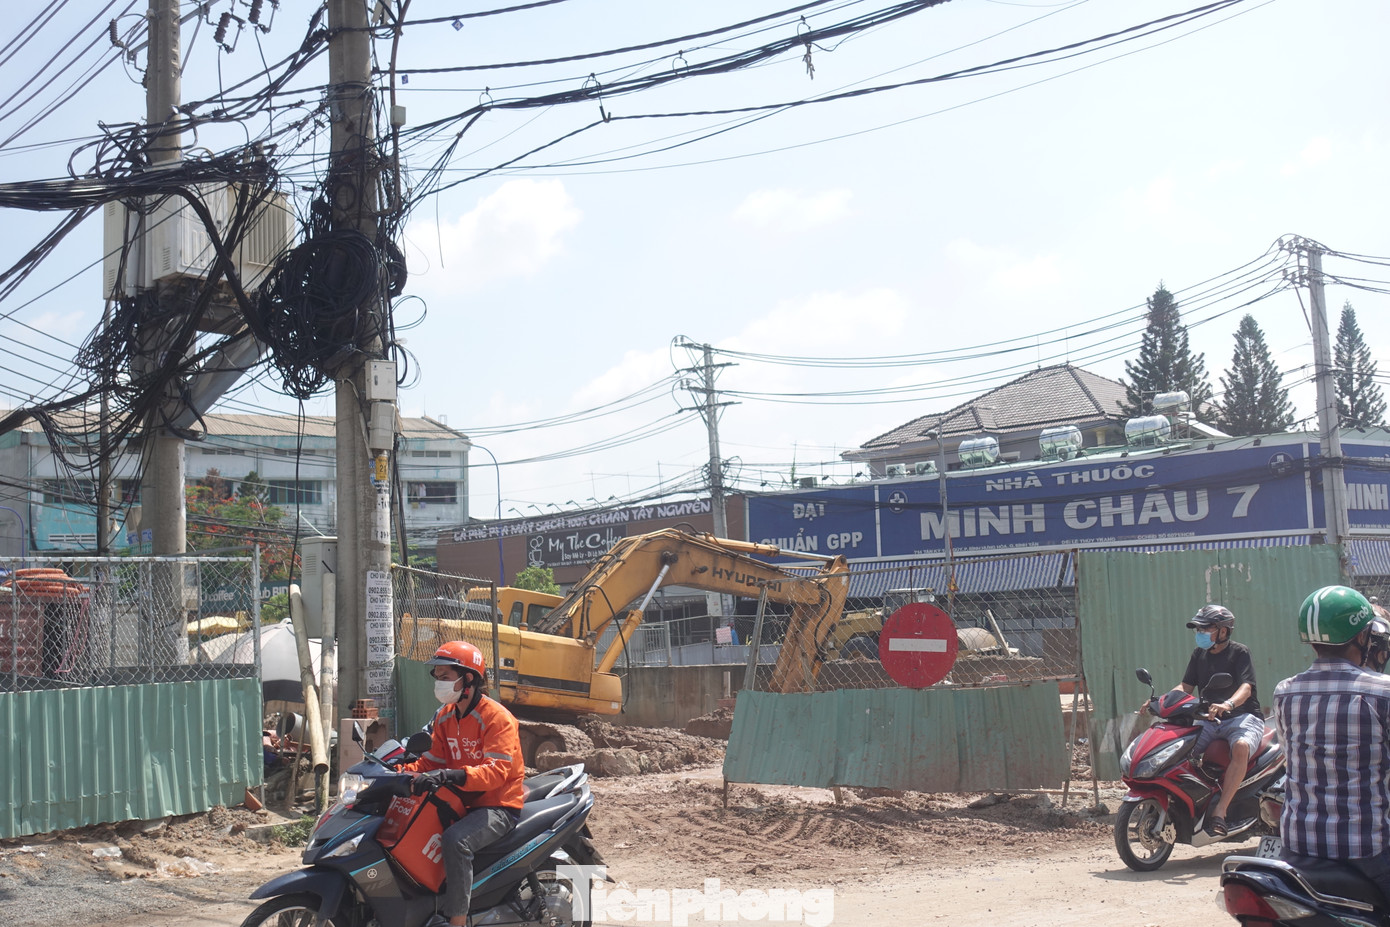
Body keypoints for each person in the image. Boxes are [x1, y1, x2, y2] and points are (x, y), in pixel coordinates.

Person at [1275, 585, 1390, 898]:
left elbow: (1290, 756)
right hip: (1366, 853)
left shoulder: (1285, 692)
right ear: (1362, 637)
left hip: (1297, 848)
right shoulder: (1382, 692)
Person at [401, 641, 525, 927]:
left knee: (454, 841)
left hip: (497, 805)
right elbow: (430, 763)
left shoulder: (497, 718)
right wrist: (398, 771)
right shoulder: (445, 717)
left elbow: (496, 772)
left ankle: (456, 922)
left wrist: (450, 775)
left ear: (467, 678)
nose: (439, 683)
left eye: (445, 676)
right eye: (437, 676)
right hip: (460, 801)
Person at [1174, 603, 1264, 836]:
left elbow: (1246, 687)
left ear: (1223, 631)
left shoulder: (1239, 652)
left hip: (1242, 717)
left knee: (1241, 746)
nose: (1200, 634)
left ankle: (1220, 812)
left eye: (1206, 629)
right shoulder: (1199, 655)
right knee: (1177, 747)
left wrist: (1228, 704)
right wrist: (1163, 701)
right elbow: (1186, 686)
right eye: (1198, 629)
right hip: (1208, 719)